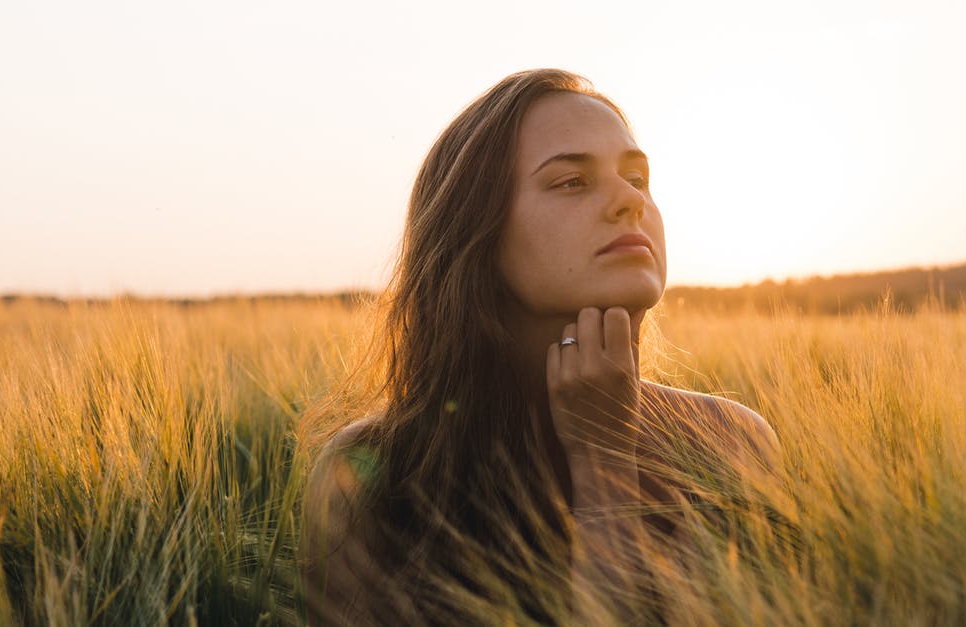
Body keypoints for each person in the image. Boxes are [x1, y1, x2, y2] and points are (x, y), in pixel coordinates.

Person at [299, 68, 785, 626]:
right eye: (572, 182)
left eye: (638, 177)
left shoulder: (729, 444)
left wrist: (604, 459)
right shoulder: (370, 475)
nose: (630, 201)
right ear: (477, 231)